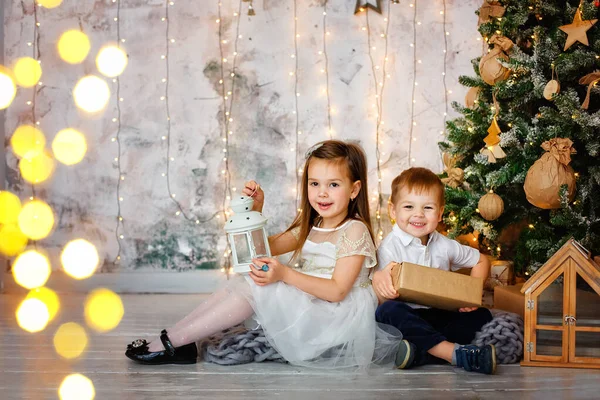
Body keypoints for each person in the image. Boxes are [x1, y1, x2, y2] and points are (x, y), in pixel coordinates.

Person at [125, 140, 401, 370]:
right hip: (312, 300)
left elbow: (338, 291)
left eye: (333, 185)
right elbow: (264, 247)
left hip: (334, 315)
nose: (322, 194)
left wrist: (285, 274)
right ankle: (177, 337)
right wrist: (255, 211)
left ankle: (175, 341)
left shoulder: (354, 231)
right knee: (249, 279)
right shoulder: (312, 225)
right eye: (314, 184)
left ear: (354, 189)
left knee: (259, 286)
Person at [372, 167, 496, 374]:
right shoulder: (389, 247)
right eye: (409, 206)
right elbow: (383, 299)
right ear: (393, 211)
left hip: (439, 315)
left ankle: (421, 354)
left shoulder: (444, 245)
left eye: (428, 208)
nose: (418, 215)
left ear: (439, 214)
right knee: (387, 311)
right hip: (408, 316)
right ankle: (455, 354)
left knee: (482, 315)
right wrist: (385, 285)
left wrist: (471, 296)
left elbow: (481, 261)